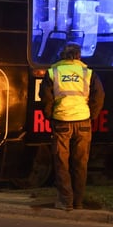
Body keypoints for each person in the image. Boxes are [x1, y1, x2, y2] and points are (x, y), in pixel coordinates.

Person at [40, 42, 104, 211]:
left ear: (62, 55)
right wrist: (91, 115)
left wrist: (51, 116)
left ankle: (65, 201)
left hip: (61, 122)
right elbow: (99, 96)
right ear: (78, 56)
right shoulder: (88, 73)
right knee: (80, 163)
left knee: (62, 163)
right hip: (83, 122)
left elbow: (45, 98)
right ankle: (78, 202)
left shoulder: (53, 72)